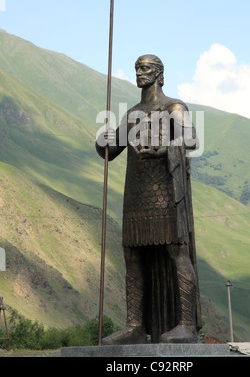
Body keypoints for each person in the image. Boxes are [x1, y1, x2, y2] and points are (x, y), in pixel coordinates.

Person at [96, 54, 201, 344]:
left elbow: (190, 139)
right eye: (137, 69)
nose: (139, 74)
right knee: (132, 254)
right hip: (136, 192)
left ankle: (187, 325)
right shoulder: (132, 114)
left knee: (175, 252)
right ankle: (134, 327)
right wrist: (103, 138)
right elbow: (110, 150)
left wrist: (162, 148)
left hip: (166, 192)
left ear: (158, 73)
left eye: (145, 69)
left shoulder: (173, 107)